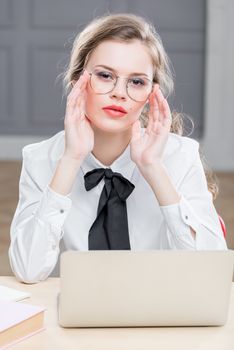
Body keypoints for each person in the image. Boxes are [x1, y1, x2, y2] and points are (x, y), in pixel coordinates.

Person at [9, 13, 227, 284]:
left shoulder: (180, 155)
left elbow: (211, 273)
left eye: (136, 82)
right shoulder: (41, 158)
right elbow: (28, 270)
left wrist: (153, 168)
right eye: (104, 75)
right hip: (80, 315)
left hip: (161, 314)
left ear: (151, 93)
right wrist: (71, 159)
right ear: (77, 80)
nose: (119, 93)